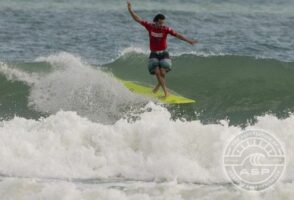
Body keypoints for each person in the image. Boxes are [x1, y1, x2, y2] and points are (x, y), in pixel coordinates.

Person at [127, 1, 197, 97]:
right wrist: (130, 9)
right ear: (155, 21)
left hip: (164, 53)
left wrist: (189, 41)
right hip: (154, 53)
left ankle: (158, 86)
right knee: (157, 71)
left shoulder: (166, 29)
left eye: (163, 23)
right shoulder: (150, 26)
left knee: (163, 73)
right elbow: (137, 19)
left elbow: (177, 35)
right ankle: (165, 92)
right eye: (160, 23)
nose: (161, 25)